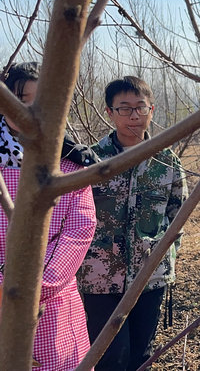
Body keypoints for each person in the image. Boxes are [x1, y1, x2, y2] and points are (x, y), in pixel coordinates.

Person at [77, 76, 188, 370]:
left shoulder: (166, 161)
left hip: (150, 276)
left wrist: (165, 258)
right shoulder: (91, 160)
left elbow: (178, 215)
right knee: (109, 357)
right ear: (109, 112)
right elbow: (75, 216)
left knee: (141, 355)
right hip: (100, 277)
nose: (134, 116)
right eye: (124, 108)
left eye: (141, 107)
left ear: (151, 110)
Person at [0, 62, 97, 370]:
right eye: (21, 102)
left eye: (42, 101)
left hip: (54, 301)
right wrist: (5, 287)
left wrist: (39, 285)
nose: (31, 112)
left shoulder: (71, 164)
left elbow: (79, 230)